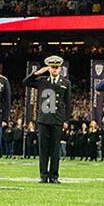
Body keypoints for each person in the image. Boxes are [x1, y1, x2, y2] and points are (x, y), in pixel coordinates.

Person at [24, 55, 71, 183]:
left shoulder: (65, 83)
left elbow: (68, 103)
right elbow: (26, 82)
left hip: (57, 120)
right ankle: (43, 175)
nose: (55, 69)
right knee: (43, 149)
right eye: (52, 67)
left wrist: (66, 120)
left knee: (55, 150)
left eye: (57, 67)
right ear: (48, 68)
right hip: (44, 119)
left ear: (60, 68)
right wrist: (37, 73)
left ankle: (54, 175)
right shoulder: (42, 81)